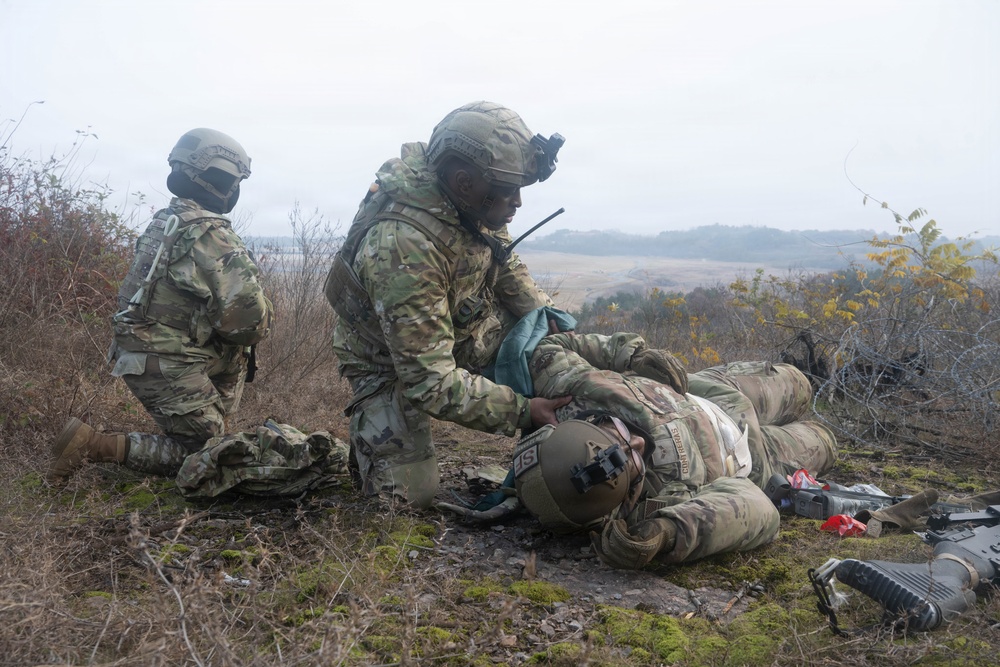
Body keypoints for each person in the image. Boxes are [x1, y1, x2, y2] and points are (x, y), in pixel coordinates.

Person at [324, 101, 573, 509]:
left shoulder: (475, 203)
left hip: (461, 328)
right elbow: (429, 380)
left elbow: (505, 263)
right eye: (510, 192)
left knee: (559, 353)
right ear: (462, 181)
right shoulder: (405, 247)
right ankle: (373, 434)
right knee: (406, 499)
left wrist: (544, 317)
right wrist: (524, 411)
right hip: (390, 360)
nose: (518, 204)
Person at [48, 128, 273, 486]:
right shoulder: (211, 235)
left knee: (215, 440)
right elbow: (249, 324)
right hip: (163, 357)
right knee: (216, 458)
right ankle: (93, 445)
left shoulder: (167, 221)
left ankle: (207, 432)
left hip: (153, 352)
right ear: (225, 181)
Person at [510, 331, 838, 569]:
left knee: (799, 383)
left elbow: (550, 346)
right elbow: (760, 510)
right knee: (825, 441)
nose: (638, 442)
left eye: (619, 431)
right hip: (759, 455)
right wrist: (671, 531)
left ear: (583, 423)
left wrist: (632, 354)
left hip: (713, 390)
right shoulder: (647, 512)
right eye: (635, 462)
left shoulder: (572, 389)